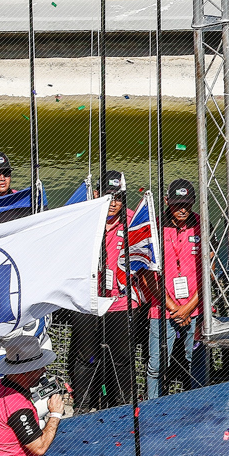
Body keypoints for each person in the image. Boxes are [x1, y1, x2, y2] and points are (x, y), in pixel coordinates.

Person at [67, 171, 140, 411]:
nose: (114, 202)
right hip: (87, 300)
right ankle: (82, 408)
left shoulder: (134, 221)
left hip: (120, 301)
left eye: (118, 197)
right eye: (109, 196)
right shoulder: (84, 217)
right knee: (87, 356)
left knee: (122, 358)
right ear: (97, 194)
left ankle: (123, 408)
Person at [149, 180, 208, 395]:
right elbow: (147, 275)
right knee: (156, 366)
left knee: (197, 363)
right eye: (177, 204)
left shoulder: (203, 225)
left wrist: (188, 308)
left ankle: (200, 405)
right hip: (162, 309)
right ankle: (152, 406)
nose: (183, 209)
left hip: (196, 309)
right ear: (167, 201)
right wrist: (175, 309)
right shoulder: (154, 227)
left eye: (187, 204)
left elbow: (209, 273)